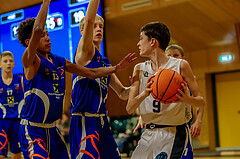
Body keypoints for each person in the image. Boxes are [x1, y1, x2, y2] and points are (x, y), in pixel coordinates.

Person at [16, 0, 136, 158]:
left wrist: (116, 69)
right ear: (29, 42)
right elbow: (37, 28)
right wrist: (46, 2)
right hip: (32, 129)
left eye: (48, 34)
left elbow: (90, 73)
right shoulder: (30, 60)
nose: (47, 38)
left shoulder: (59, 60)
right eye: (42, 36)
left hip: (53, 129)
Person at [126, 22, 205, 159]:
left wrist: (187, 99)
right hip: (148, 134)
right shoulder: (139, 68)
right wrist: (145, 93)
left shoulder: (180, 65)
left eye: (141, 38)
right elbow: (129, 108)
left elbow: (201, 102)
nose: (138, 43)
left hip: (173, 133)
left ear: (153, 42)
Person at [69, 0, 136, 158]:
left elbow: (122, 93)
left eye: (101, 27)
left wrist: (140, 87)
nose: (98, 29)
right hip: (84, 120)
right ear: (83, 31)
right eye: (94, 26)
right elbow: (90, 18)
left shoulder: (105, 62)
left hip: (102, 122)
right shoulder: (83, 52)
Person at [165, 44, 204, 159]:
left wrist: (198, 121)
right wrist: (142, 117)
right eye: (169, 56)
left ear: (183, 58)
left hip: (181, 127)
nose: (172, 58)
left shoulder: (190, 78)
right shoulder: (159, 78)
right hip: (162, 128)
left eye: (176, 55)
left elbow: (201, 102)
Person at [0, 51, 23, 159]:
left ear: (14, 64)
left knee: (17, 153)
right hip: (2, 121)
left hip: (17, 122)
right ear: (0, 64)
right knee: (1, 154)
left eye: (10, 61)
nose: (8, 63)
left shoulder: (20, 80)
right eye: (5, 61)